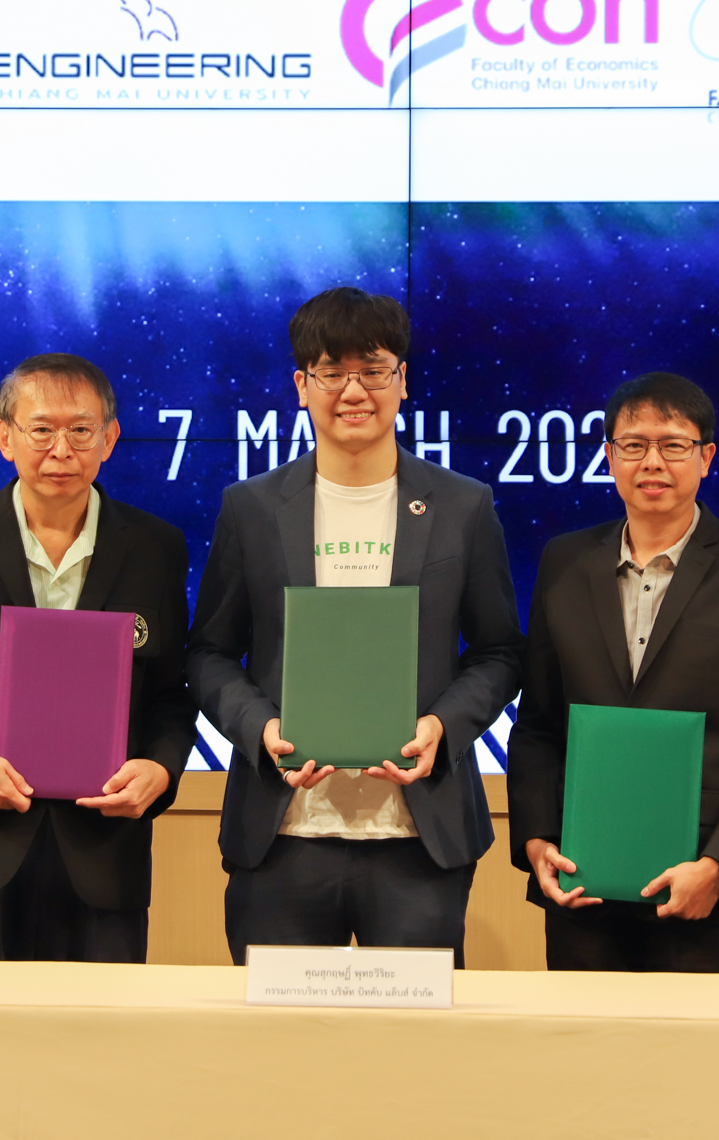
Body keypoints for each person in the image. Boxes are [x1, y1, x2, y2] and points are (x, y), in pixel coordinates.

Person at [189, 287, 523, 964]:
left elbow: (499, 653)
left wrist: (441, 727)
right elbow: (209, 654)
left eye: (372, 370)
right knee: (279, 1032)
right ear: (301, 386)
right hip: (282, 834)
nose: (353, 390)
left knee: (413, 1034)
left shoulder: (462, 506)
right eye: (331, 372)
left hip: (418, 839)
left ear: (402, 379)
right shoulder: (251, 508)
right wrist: (262, 730)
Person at [0, 354, 192, 962]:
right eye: (41, 429)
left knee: (96, 1025)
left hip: (104, 854)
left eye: (81, 430)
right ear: (5, 437)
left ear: (110, 438)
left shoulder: (156, 547)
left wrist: (160, 770)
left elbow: (170, 697)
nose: (61, 449)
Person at [507, 372, 719, 972]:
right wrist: (537, 839)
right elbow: (539, 722)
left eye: (673, 445)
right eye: (634, 444)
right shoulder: (564, 562)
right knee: (580, 1036)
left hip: (704, 891)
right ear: (608, 456)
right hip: (580, 881)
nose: (653, 461)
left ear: (706, 457)